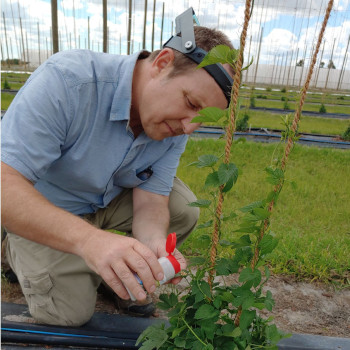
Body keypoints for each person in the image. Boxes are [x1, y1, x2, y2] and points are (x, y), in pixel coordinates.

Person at [1, 14, 234, 326]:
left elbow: (152, 199)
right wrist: (91, 242)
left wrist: (152, 248)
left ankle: (117, 274)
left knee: (183, 210)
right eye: (191, 103)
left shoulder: (172, 122)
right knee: (68, 313)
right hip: (45, 206)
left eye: (201, 119)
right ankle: (12, 246)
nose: (189, 127)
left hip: (102, 201)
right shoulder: (68, 82)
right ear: (162, 63)